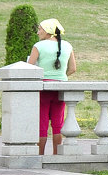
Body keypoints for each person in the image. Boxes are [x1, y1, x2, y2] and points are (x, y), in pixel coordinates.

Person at [27, 18, 77, 155]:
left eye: (40, 29)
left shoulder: (39, 46)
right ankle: (56, 155)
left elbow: (29, 67)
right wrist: (60, 76)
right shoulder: (67, 45)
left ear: (48, 31)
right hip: (61, 88)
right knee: (57, 124)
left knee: (42, 125)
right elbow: (73, 68)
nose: (38, 32)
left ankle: (40, 155)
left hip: (43, 89)